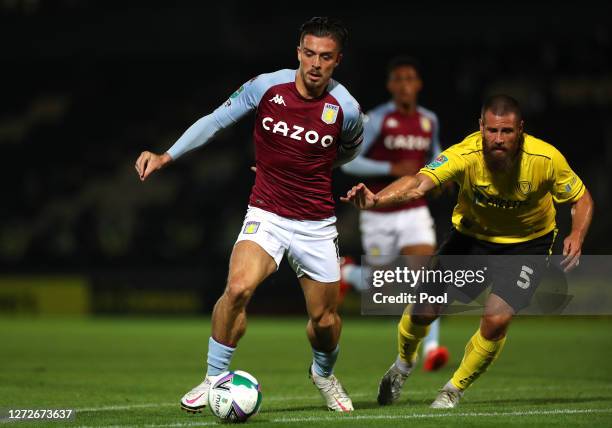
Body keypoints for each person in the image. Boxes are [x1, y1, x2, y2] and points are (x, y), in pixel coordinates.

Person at [134, 17, 363, 413]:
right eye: (308, 53)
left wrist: (316, 165)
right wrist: (166, 155)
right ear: (298, 52)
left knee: (324, 321)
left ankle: (323, 374)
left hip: (315, 223)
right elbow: (217, 119)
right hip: (267, 213)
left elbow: (350, 150)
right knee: (238, 288)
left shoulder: (346, 108)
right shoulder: (265, 86)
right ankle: (213, 377)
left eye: (325, 57)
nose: (315, 64)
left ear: (337, 60)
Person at [342, 94, 593, 408]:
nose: (498, 139)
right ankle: (403, 365)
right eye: (492, 130)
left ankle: (453, 389)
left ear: (521, 131)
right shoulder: (465, 153)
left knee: (496, 319)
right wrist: (378, 200)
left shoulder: (546, 159)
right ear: (481, 127)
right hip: (471, 241)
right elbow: (417, 182)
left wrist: (577, 234)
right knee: (423, 310)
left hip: (527, 246)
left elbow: (581, 199)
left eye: (507, 131)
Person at [339, 57, 449, 389]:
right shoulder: (377, 120)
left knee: (426, 274)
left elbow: (438, 154)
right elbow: (349, 164)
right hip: (378, 213)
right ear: (390, 85)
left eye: (410, 78)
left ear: (418, 84)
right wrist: (390, 170)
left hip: (414, 209)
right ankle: (349, 273)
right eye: (398, 79)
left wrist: (446, 174)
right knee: (385, 287)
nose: (404, 84)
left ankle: (431, 349)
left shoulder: (429, 120)